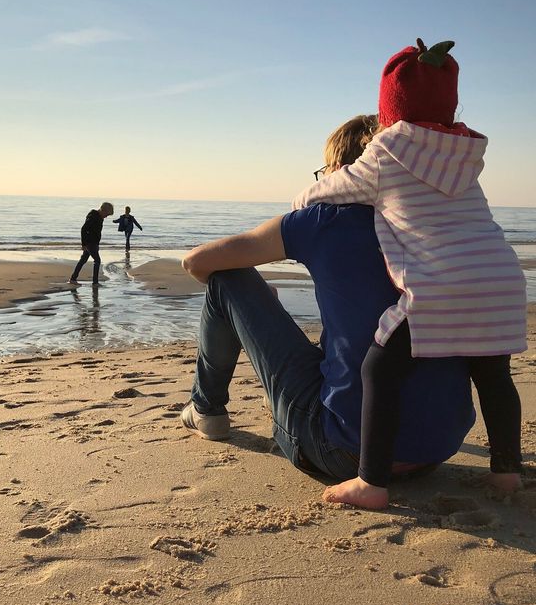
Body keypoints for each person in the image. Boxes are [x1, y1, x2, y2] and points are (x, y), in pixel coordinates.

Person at [180, 114, 476, 492]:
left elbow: (197, 262)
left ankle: (206, 407)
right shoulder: (442, 224)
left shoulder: (324, 219)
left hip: (341, 453)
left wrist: (248, 307)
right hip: (435, 452)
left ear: (338, 171)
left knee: (228, 276)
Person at [291, 39, 527, 509]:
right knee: (494, 376)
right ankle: (506, 474)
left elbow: (331, 190)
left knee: (380, 367)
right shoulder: (465, 157)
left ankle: (371, 482)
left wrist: (301, 200)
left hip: (440, 285)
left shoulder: (385, 153)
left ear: (390, 110)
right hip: (500, 280)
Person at [69, 202, 114, 286]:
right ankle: (95, 282)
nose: (106, 216)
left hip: (94, 242)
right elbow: (83, 229)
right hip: (90, 242)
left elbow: (97, 231)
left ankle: (73, 278)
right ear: (102, 210)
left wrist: (97, 243)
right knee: (97, 260)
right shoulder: (93, 216)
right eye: (107, 214)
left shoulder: (100, 217)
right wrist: (83, 244)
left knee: (83, 260)